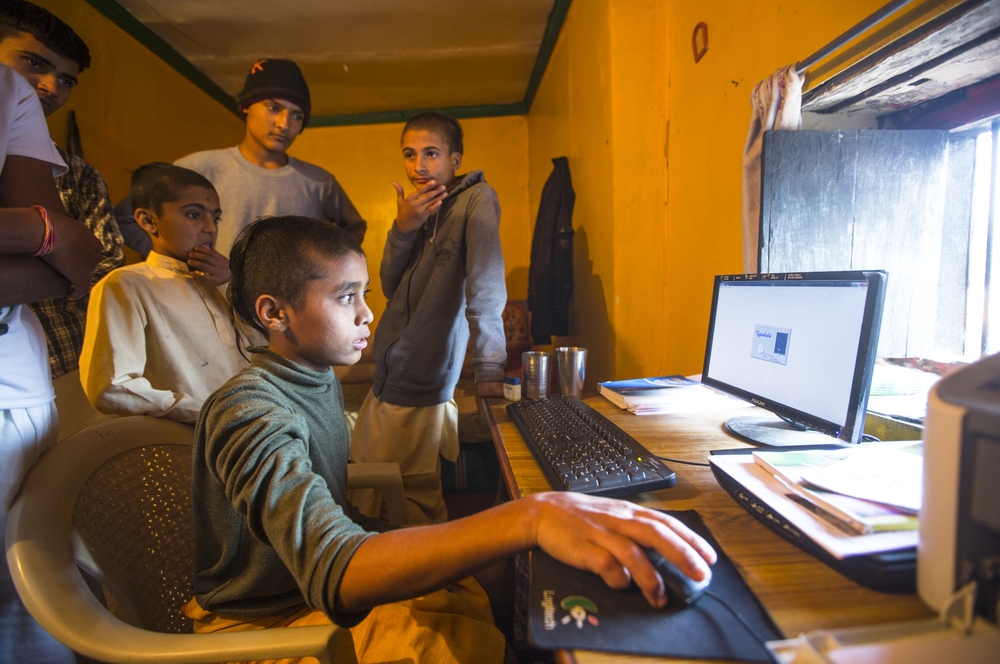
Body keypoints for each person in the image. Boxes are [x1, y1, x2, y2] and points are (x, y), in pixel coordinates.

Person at [189, 215, 716, 663]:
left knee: (486, 580)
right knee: (444, 644)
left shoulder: (315, 377)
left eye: (365, 293)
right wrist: (530, 516)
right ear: (274, 313)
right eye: (345, 296)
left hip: (305, 591)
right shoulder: (249, 412)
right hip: (261, 623)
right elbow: (334, 569)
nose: (367, 313)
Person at [350, 111, 507, 524]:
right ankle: (384, 566)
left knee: (411, 494)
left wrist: (490, 365)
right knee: (372, 482)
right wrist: (403, 227)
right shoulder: (417, 205)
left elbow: (486, 284)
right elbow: (388, 284)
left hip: (422, 372)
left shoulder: (477, 200)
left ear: (455, 159)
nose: (419, 165)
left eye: (431, 153)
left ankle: (431, 578)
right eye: (410, 153)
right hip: (391, 368)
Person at [0, 63, 103, 664]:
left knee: (30, 600)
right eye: (30, 61)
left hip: (17, 387)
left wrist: (45, 233)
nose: (45, 84)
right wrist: (38, 230)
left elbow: (69, 260)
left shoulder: (8, 93)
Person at [115, 57, 367, 259]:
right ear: (247, 106)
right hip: (208, 307)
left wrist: (320, 268)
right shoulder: (198, 168)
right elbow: (126, 217)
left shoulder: (318, 182)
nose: (284, 124)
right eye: (273, 108)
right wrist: (178, 261)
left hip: (284, 316)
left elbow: (354, 227)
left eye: (297, 115)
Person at [0, 0, 125, 379]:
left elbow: (96, 262)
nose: (51, 86)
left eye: (66, 80)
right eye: (34, 63)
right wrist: (49, 235)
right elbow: (66, 260)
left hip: (59, 353)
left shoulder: (78, 174)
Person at [79, 162, 245, 423]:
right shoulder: (126, 285)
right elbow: (112, 387)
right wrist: (210, 415)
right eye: (194, 215)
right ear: (148, 221)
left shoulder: (225, 283)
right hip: (183, 442)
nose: (210, 228)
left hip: (253, 431)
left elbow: (265, 352)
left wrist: (232, 285)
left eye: (215, 217)